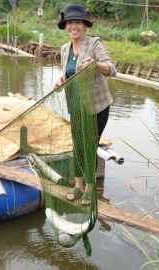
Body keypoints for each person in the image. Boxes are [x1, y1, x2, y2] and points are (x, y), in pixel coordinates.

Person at [52, 4, 116, 206]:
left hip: (96, 107)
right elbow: (68, 71)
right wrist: (61, 77)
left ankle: (90, 188)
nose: (74, 26)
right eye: (70, 23)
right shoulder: (65, 48)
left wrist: (94, 65)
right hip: (76, 105)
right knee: (77, 144)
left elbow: (112, 69)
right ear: (65, 27)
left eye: (77, 22)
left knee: (89, 146)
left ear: (84, 25)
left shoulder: (94, 43)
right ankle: (78, 186)